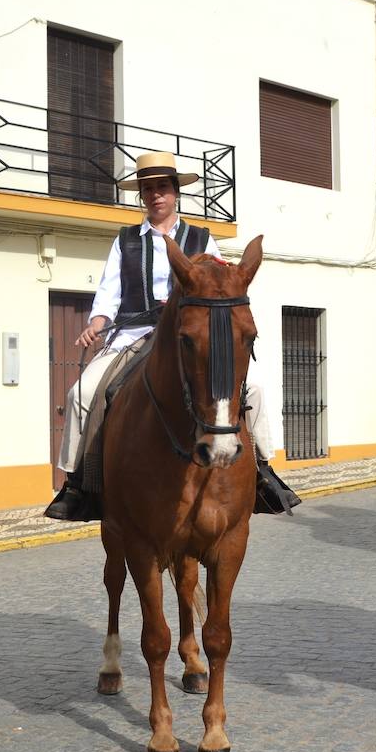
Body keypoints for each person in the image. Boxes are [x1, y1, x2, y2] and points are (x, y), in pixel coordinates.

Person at [43, 151, 295, 521]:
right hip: (134, 332)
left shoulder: (201, 238)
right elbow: (109, 292)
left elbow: (219, 283)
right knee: (81, 393)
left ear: (176, 192)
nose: (155, 195)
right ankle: (78, 482)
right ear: (142, 196)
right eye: (147, 189)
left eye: (162, 187)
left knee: (253, 388)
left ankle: (262, 473)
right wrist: (97, 321)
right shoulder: (126, 241)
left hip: (189, 334)